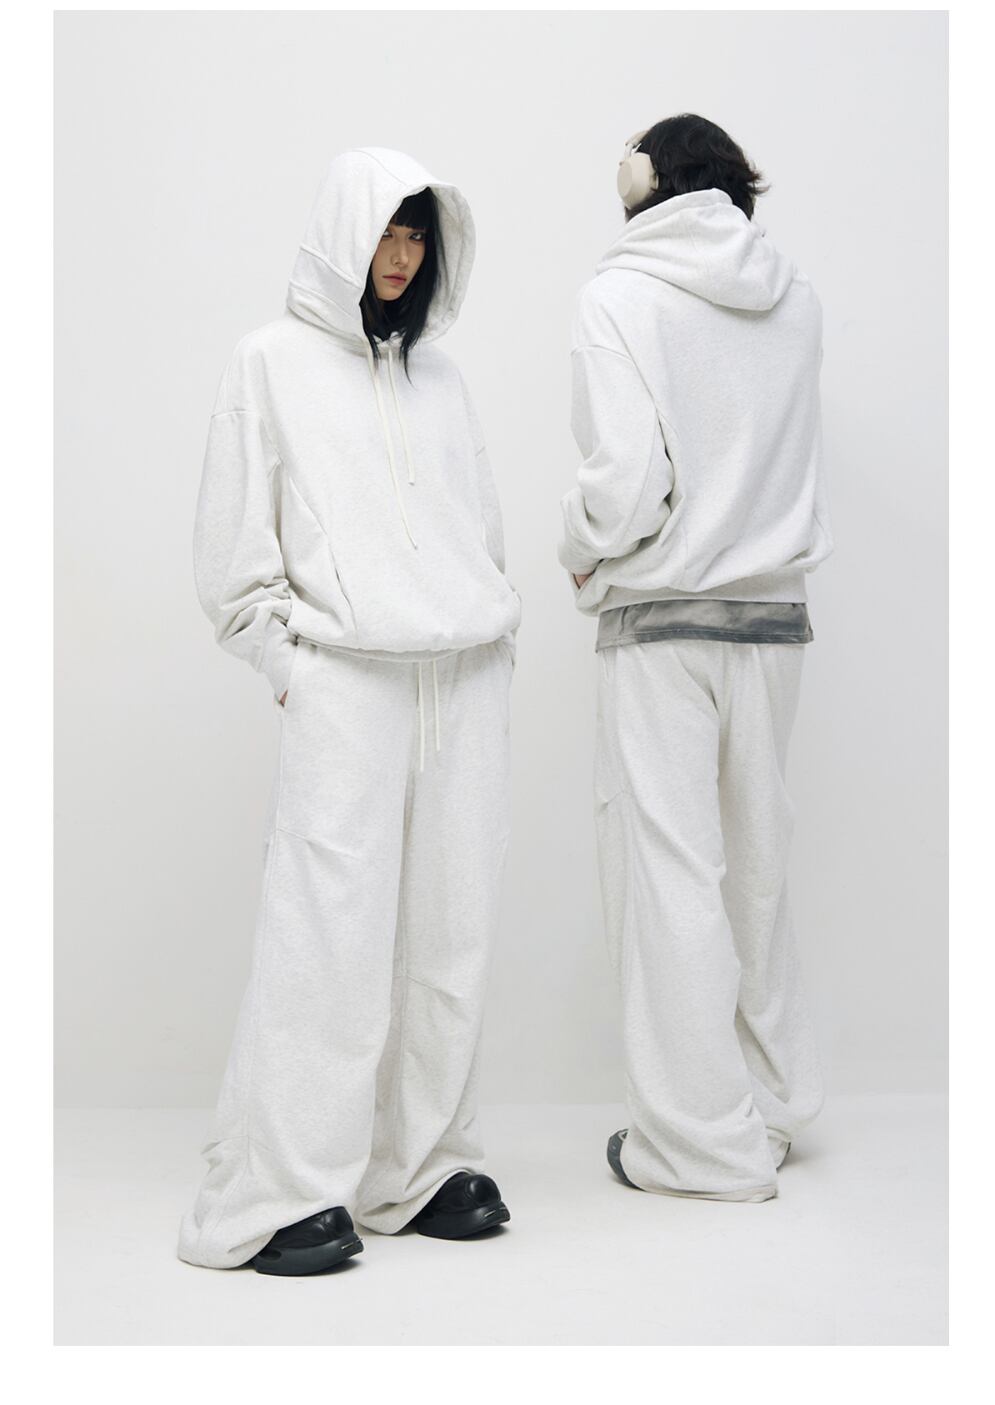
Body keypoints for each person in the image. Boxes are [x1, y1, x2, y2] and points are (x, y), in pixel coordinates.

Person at [179, 148, 520, 1274]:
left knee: (450, 932)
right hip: (347, 680)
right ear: (342, 235)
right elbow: (233, 551)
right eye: (385, 232)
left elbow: (482, 528)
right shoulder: (269, 362)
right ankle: (282, 1190)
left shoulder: (443, 381)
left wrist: (495, 633)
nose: (401, 255)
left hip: (461, 679)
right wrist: (293, 666)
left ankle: (418, 1166)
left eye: (417, 236)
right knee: (325, 938)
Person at [558, 114, 833, 1202]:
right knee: (759, 866)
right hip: (774, 620)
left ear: (641, 183)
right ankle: (773, 1108)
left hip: (664, 621)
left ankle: (698, 1143)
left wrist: (580, 548)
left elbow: (625, 483)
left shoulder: (618, 297)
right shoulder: (795, 297)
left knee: (670, 873)